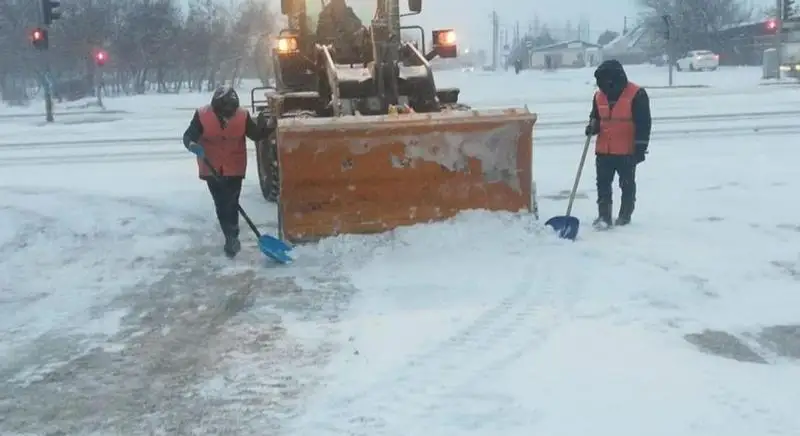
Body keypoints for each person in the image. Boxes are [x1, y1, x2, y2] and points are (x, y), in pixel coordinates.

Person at [183, 86, 274, 258]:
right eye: (225, 113)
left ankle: (233, 236)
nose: (229, 116)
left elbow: (255, 135)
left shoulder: (242, 115)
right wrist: (192, 145)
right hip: (211, 167)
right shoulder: (202, 115)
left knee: (232, 202)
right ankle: (229, 236)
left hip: (234, 167)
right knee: (221, 203)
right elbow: (188, 136)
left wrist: (267, 126)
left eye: (231, 112)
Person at [584, 59, 651, 229]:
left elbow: (644, 124)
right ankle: (604, 216)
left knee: (626, 185)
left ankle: (624, 216)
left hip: (626, 151)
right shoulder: (599, 95)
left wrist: (640, 148)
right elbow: (596, 117)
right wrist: (592, 127)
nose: (602, 85)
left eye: (604, 81)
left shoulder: (637, 94)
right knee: (603, 185)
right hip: (604, 149)